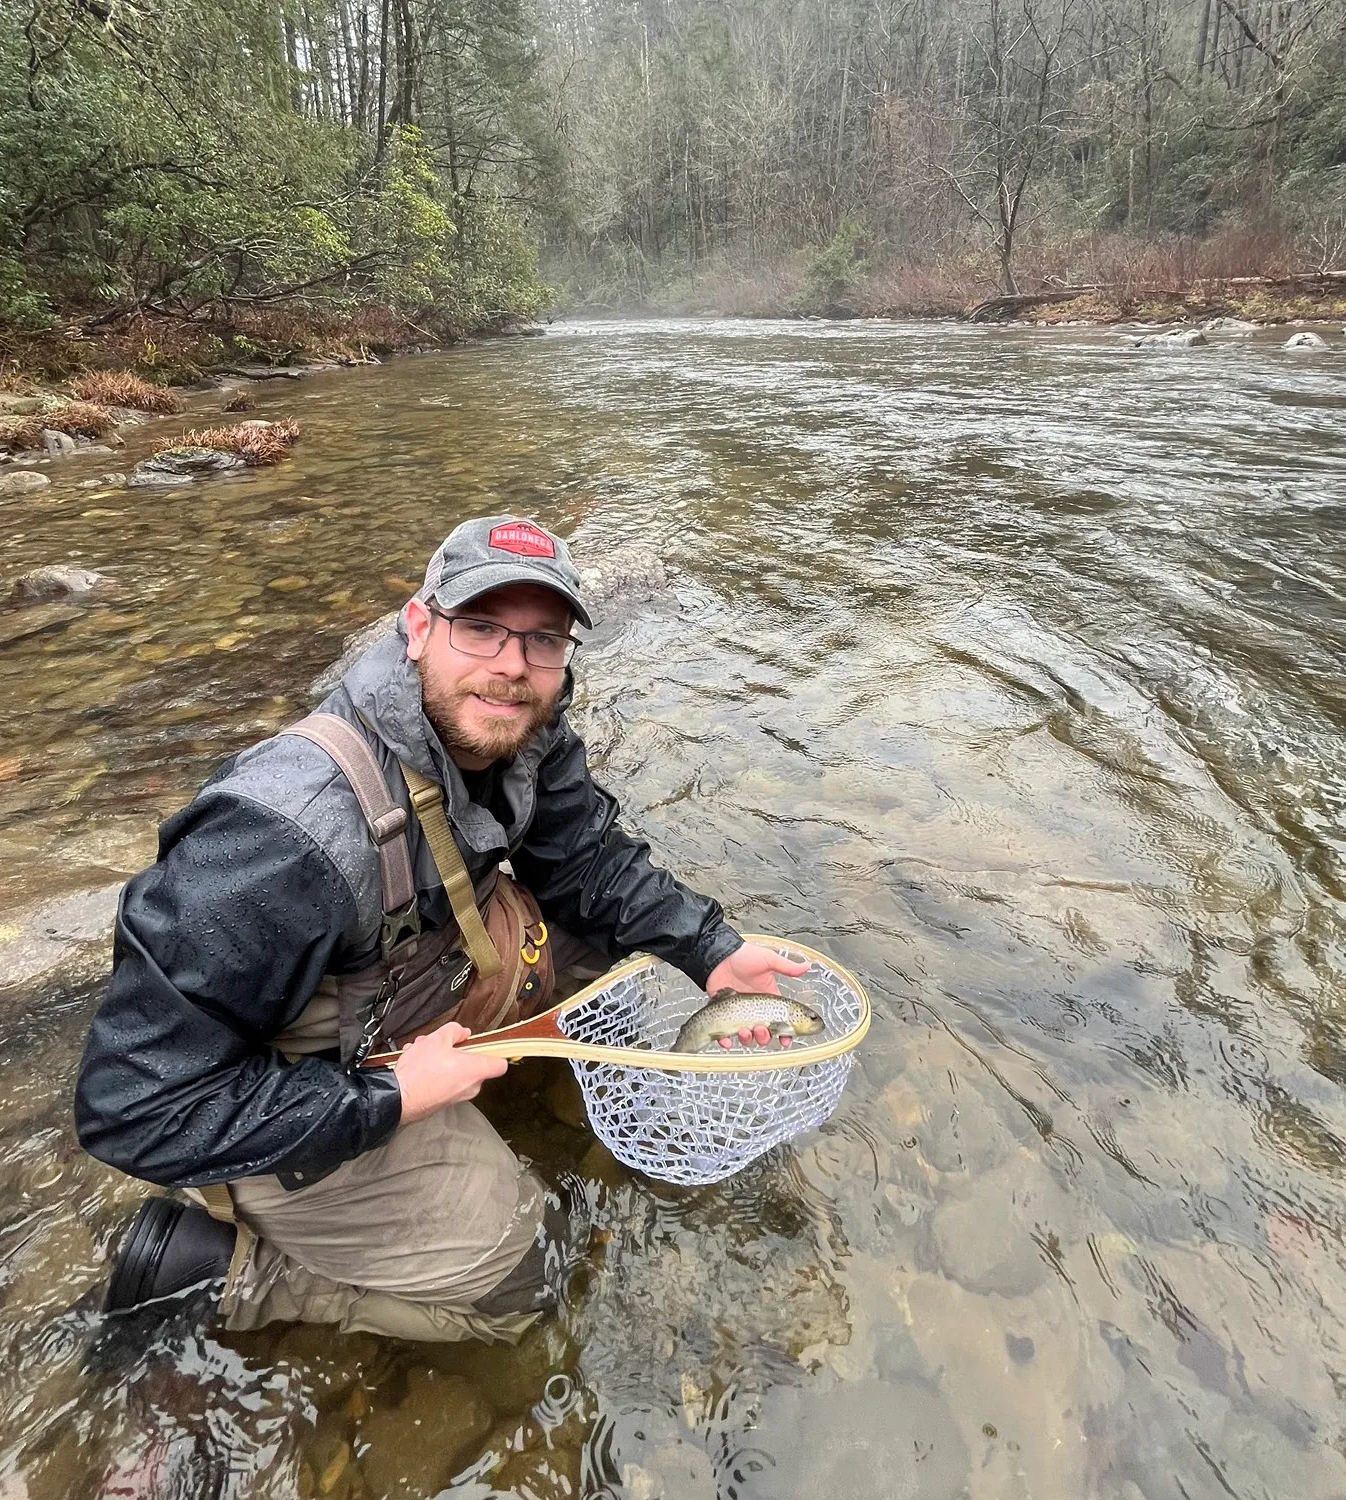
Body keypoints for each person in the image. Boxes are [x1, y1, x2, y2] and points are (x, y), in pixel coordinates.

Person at [74, 514, 805, 1343]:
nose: (512, 667)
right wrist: (391, 1099)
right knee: (526, 1275)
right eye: (482, 628)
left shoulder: (524, 724)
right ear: (418, 628)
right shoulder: (283, 837)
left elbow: (585, 862)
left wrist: (712, 950)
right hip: (292, 1073)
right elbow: (134, 1107)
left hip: (399, 973)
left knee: (609, 959)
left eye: (542, 641)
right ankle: (230, 1278)